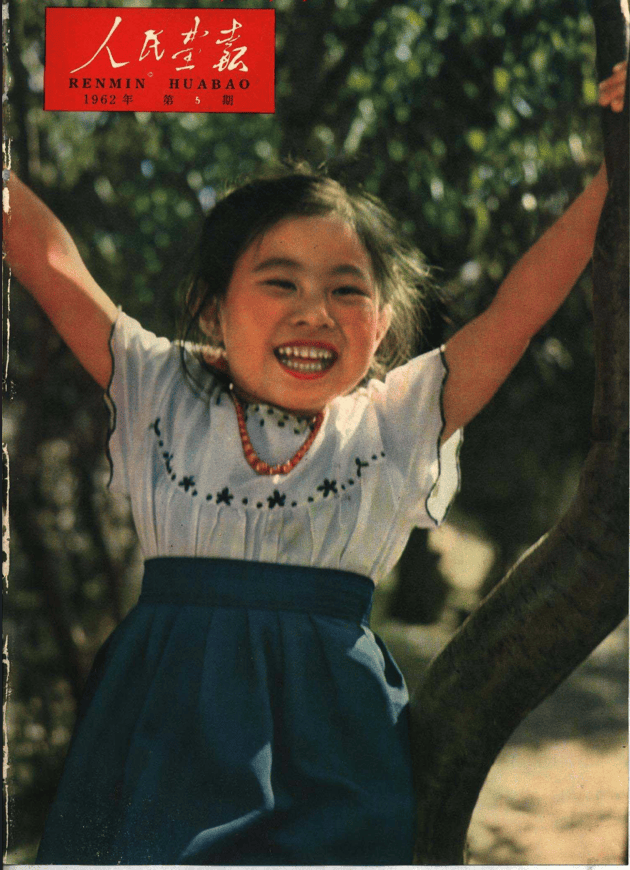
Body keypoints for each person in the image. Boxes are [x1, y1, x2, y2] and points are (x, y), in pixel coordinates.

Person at [4, 61, 626, 866]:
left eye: (346, 291)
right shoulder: (161, 386)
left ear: (384, 324)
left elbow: (519, 309)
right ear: (211, 308)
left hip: (331, 749)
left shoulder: (395, 420)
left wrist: (615, 170)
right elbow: (50, 262)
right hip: (160, 734)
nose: (314, 312)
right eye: (280, 282)